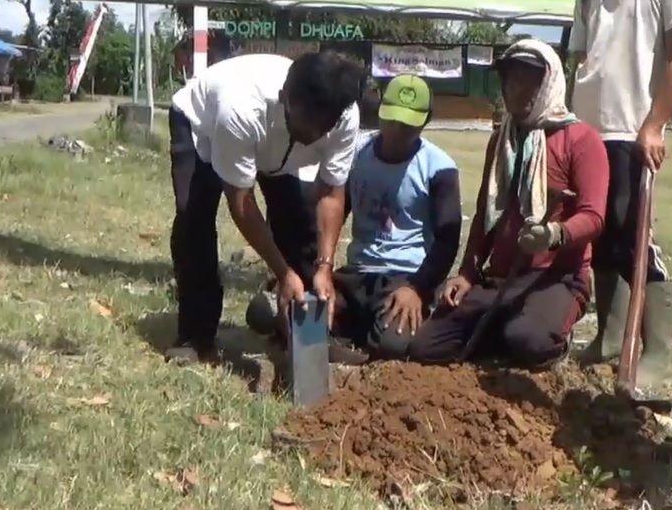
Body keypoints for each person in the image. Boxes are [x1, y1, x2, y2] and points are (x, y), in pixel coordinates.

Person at [569, 0, 672, 397]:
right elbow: (580, 61)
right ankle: (608, 334)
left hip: (632, 129)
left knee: (634, 237)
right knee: (598, 233)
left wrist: (655, 123)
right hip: (588, 131)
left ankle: (655, 355)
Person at [407, 40, 608, 368]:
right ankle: (503, 325)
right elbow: (487, 215)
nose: (517, 90)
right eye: (511, 80)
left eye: (529, 80)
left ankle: (545, 332)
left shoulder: (582, 140)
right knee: (426, 347)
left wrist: (554, 234)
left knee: (529, 342)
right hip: (502, 276)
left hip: (555, 278)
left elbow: (594, 216)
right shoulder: (502, 141)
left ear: (549, 83)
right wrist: (468, 274)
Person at [167, 51, 366, 364]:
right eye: (306, 126)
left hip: (272, 148)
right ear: (285, 96)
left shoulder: (344, 114)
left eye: (321, 129)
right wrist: (282, 272)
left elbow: (330, 192)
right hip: (202, 128)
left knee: (300, 224)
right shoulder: (240, 108)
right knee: (194, 221)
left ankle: (305, 336)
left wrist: (325, 266)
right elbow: (241, 201)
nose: (313, 137)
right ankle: (195, 335)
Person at [246, 74, 462, 359]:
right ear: (381, 111)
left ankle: (341, 337)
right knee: (264, 312)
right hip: (357, 275)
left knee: (392, 344)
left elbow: (447, 240)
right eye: (391, 120)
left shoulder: (439, 167)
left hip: (403, 278)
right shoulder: (357, 153)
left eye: (408, 126)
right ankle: (343, 334)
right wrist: (310, 271)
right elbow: (329, 213)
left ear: (426, 120)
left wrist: (418, 289)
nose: (396, 131)